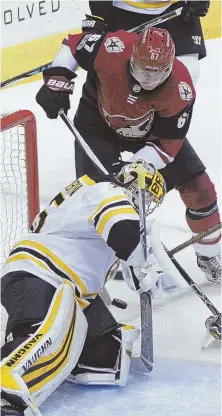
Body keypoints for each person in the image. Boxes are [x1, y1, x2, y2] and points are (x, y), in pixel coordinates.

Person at [35, 19, 221, 283]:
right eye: (142, 70)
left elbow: (168, 146)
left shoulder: (181, 90)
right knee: (97, 198)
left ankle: (210, 254)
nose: (146, 80)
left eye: (155, 74)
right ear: (132, 56)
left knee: (200, 189)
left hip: (150, 137)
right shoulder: (114, 46)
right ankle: (103, 262)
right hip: (96, 127)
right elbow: (73, 46)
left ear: (169, 68)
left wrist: (134, 168)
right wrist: (58, 79)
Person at [0, 165, 166, 415]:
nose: (146, 204)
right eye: (147, 196)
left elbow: (125, 252)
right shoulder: (109, 191)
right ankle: (5, 388)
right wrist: (144, 261)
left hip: (66, 285)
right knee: (52, 335)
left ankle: (60, 366)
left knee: (109, 354)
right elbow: (122, 231)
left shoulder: (98, 196)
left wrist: (141, 269)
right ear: (131, 185)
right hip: (41, 273)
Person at [88, 0, 210, 85]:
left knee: (187, 73)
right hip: (122, 10)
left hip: (176, 8)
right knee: (114, 76)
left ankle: (167, 121)